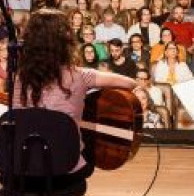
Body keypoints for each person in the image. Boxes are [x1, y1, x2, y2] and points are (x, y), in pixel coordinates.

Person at [14, 9, 140, 182]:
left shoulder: (20, 78)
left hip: (22, 169)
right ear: (66, 43)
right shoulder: (81, 76)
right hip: (66, 169)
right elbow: (131, 83)